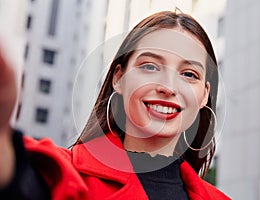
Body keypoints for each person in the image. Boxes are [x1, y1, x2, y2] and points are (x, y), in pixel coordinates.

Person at [0, 11, 230, 199]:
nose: (168, 88)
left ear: (204, 95)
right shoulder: (58, 173)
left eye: (189, 74)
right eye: (150, 66)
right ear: (118, 78)